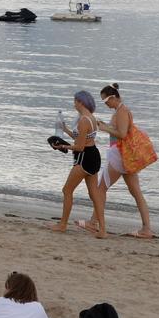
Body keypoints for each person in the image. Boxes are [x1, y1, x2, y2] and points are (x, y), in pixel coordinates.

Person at [94, 83, 155, 238]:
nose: (105, 104)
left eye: (106, 100)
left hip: (120, 156)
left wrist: (104, 128)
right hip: (125, 157)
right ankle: (146, 229)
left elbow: (121, 133)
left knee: (100, 189)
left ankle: (93, 222)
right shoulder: (119, 111)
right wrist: (105, 125)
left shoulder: (122, 111)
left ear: (113, 97)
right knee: (135, 192)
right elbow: (118, 130)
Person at [51, 90, 107, 238]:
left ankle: (62, 225)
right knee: (94, 194)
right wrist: (65, 130)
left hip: (84, 158)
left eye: (75, 101)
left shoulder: (83, 120)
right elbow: (81, 137)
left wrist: (63, 147)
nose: (74, 103)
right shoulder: (91, 118)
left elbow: (79, 147)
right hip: (94, 155)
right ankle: (102, 230)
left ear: (81, 102)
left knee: (67, 190)